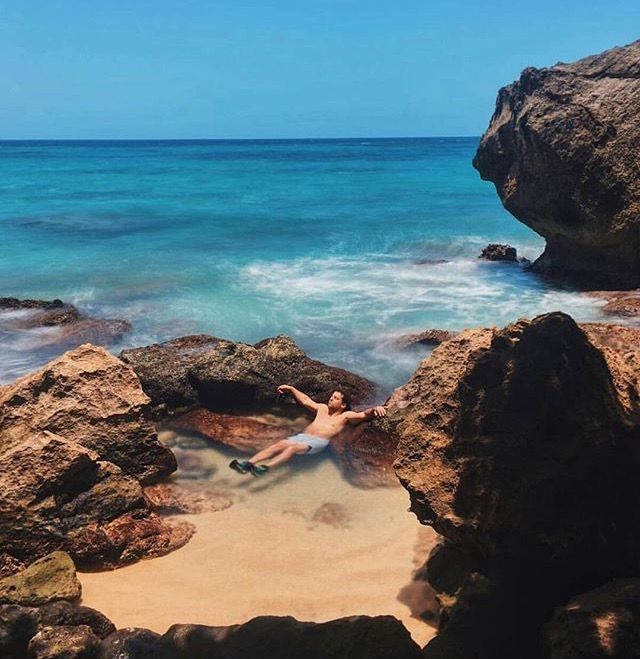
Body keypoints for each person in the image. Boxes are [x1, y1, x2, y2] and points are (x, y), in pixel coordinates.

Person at [229, 384, 386, 476]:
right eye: (332, 396)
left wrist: (375, 409)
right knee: (279, 444)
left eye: (336, 398)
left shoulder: (345, 416)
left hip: (317, 443)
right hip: (302, 436)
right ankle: (248, 464)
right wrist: (291, 389)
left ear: (343, 405)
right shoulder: (322, 408)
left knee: (292, 448)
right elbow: (305, 400)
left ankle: (265, 468)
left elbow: (363, 415)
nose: (331, 399)